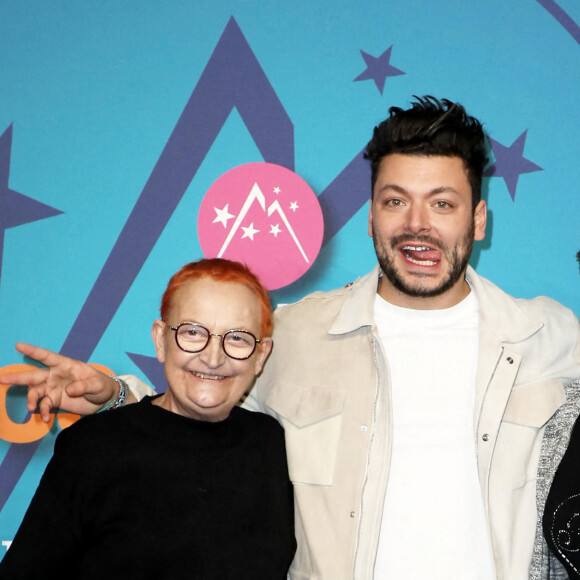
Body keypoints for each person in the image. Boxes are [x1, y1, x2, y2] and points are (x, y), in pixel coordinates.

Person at [3, 96, 580, 579]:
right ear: (372, 215)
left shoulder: (548, 335)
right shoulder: (299, 332)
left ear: (478, 220)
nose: (417, 224)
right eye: (395, 201)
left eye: (443, 204)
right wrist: (117, 396)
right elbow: (203, 405)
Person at [0, 259, 296, 579]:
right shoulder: (93, 448)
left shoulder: (274, 446)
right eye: (193, 332)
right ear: (160, 340)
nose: (213, 357)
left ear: (261, 355)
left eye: (237, 338)